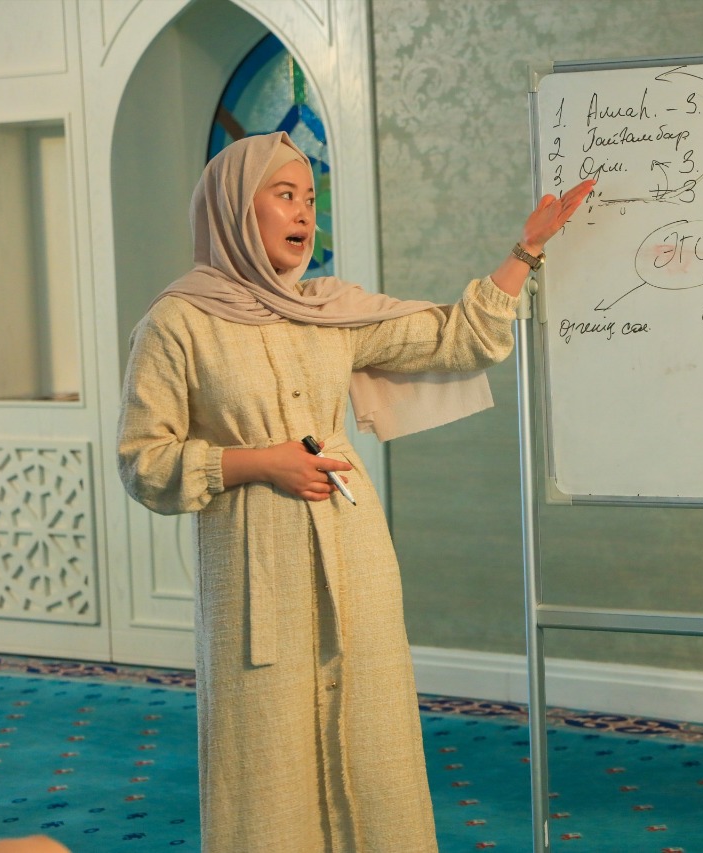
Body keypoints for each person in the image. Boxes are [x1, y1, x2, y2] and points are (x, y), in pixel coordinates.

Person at [116, 130, 591, 851]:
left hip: (354, 553)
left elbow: (454, 338)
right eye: (284, 195)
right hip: (255, 573)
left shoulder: (326, 311)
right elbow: (144, 462)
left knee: (374, 741)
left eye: (311, 198)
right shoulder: (176, 323)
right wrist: (261, 462)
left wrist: (524, 252)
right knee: (265, 759)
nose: (303, 212)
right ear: (234, 208)